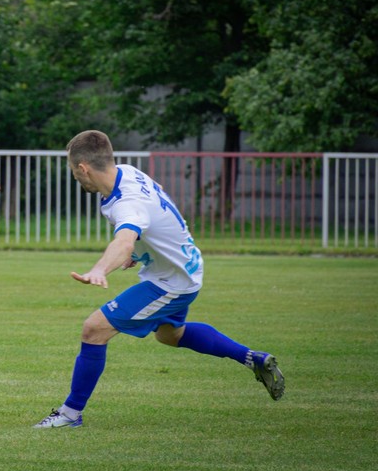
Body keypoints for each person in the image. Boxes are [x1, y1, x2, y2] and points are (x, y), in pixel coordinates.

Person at [34, 130, 285, 429]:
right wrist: (143, 251)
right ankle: (252, 358)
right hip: (184, 269)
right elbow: (158, 197)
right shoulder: (127, 172)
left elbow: (124, 240)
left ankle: (70, 414)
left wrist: (101, 268)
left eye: (74, 171)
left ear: (83, 167)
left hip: (170, 281)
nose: (76, 178)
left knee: (94, 330)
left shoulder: (127, 203)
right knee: (170, 336)